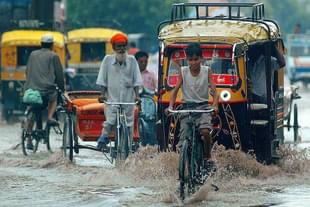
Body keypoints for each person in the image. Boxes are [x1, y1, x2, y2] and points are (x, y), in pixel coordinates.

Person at [167, 43, 219, 172]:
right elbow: (174, 91)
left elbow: (214, 91)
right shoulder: (183, 71)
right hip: (187, 108)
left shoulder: (207, 71)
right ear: (187, 60)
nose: (193, 62)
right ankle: (184, 172)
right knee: (183, 139)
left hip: (203, 107)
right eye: (190, 60)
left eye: (196, 59)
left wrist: (215, 105)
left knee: (205, 132)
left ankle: (207, 157)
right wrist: (170, 106)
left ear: (201, 59)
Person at [96, 33, 143, 150]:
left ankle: (128, 144)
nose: (121, 49)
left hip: (128, 99)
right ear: (113, 48)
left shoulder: (132, 60)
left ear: (126, 47)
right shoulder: (107, 60)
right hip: (112, 98)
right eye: (118, 46)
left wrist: (137, 96)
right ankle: (103, 138)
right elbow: (102, 79)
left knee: (129, 124)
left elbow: (136, 80)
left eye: (123, 46)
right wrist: (102, 94)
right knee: (110, 121)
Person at [24, 34, 65, 149]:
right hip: (47, 90)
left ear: (41, 44)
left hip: (31, 90)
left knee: (32, 111)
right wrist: (62, 88)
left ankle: (28, 139)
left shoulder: (32, 54)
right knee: (54, 98)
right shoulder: (53, 56)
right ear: (52, 45)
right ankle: (50, 117)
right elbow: (59, 75)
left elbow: (27, 71)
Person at [135, 51, 157, 146]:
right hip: (135, 101)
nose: (143, 64)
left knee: (151, 122)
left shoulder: (151, 75)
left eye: (145, 62)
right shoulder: (132, 75)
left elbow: (157, 88)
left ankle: (151, 144)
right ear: (136, 62)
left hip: (148, 101)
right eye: (141, 62)